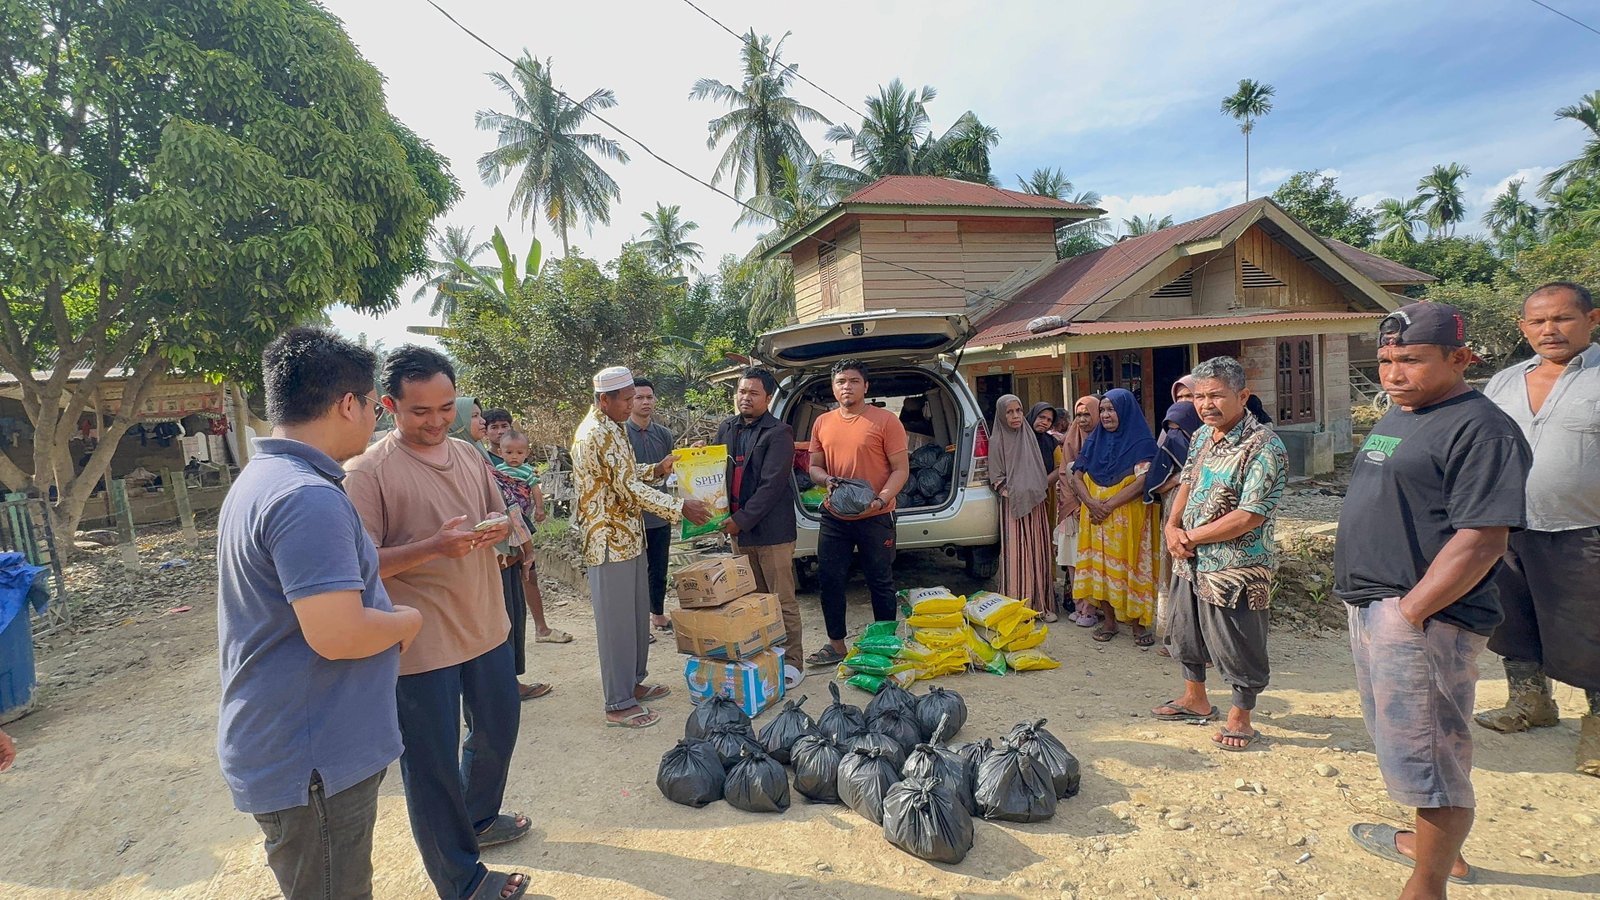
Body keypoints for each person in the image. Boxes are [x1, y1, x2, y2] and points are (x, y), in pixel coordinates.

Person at [215, 328, 424, 900]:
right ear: (348, 404)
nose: (374, 424)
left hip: (300, 747)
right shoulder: (306, 496)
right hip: (314, 760)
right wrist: (407, 622)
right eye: (371, 407)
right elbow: (339, 633)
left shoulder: (264, 480)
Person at [1334, 302, 1531, 897]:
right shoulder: (1402, 414)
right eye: (1387, 360)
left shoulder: (1482, 429)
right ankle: (1428, 849)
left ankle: (1428, 883)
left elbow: (1482, 540)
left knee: (1434, 758)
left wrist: (1410, 612)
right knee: (1408, 747)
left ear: (1459, 358)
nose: (1393, 373)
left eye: (1411, 360)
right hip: (1378, 608)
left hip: (1424, 620)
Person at [344, 346, 531, 900]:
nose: (436, 421)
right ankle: (461, 881)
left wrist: (499, 529)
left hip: (485, 624)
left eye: (446, 407)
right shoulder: (366, 473)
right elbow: (358, 563)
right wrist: (433, 548)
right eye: (420, 411)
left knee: (498, 728)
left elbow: (496, 513)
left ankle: (477, 819)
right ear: (388, 406)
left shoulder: (470, 455)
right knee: (431, 768)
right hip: (419, 641)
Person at [1477, 281, 1600, 778]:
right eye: (1538, 321)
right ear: (1523, 327)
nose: (1550, 330)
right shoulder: (1503, 382)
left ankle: (1597, 726)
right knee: (1510, 621)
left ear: (1592, 320)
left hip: (1583, 528)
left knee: (1590, 628)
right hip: (1505, 529)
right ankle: (1530, 702)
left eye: (1563, 318)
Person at [1151, 358, 1287, 752]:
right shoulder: (1201, 438)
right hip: (1190, 558)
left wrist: (1189, 535)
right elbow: (1187, 481)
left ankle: (1240, 716)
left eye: (1215, 395)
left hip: (1236, 567)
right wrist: (1171, 526)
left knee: (1238, 640)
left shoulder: (1263, 445)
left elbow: (1250, 514)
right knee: (1185, 630)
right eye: (1199, 396)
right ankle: (1195, 699)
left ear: (1242, 396)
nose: (1205, 404)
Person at [572, 367, 713, 729]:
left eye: (635, 397)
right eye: (627, 399)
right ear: (604, 400)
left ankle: (633, 683)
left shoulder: (613, 427)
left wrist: (659, 468)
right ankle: (617, 702)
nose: (633, 404)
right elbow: (626, 489)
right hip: (607, 542)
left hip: (629, 536)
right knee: (616, 624)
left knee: (635, 617)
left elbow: (629, 473)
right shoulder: (594, 435)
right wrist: (680, 507)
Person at [805, 359, 910, 667]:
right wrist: (826, 479)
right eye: (840, 381)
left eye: (853, 381)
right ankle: (836, 645)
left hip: (876, 516)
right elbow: (813, 466)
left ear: (866, 386)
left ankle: (884, 643)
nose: (846, 386)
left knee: (880, 580)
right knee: (830, 579)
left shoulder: (886, 421)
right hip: (835, 516)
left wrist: (881, 499)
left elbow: (901, 469)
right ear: (833, 387)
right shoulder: (823, 423)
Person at [449, 402, 552, 704]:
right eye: (475, 416)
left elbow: (511, 507)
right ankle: (500, 688)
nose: (482, 422)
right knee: (497, 620)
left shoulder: (478, 454)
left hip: (509, 550)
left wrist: (523, 546)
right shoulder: (460, 458)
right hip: (489, 555)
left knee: (511, 617)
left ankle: (509, 682)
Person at [714, 367, 804, 682]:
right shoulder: (726, 429)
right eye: (741, 391)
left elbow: (772, 486)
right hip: (739, 532)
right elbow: (714, 475)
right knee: (753, 602)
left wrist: (740, 520)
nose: (745, 398)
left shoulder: (779, 433)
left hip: (772, 533)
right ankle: (765, 657)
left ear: (767, 397)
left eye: (753, 393)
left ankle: (793, 662)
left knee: (781, 600)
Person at [1070, 388, 1160, 646]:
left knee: (1130, 567)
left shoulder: (1141, 442)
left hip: (1127, 517)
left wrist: (1107, 506)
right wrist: (1090, 502)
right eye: (1103, 410)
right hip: (1096, 517)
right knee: (1103, 569)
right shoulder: (1094, 439)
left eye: (1111, 410)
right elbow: (1076, 474)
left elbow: (1144, 480)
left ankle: (1137, 626)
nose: (1106, 415)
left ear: (1125, 411)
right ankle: (1109, 621)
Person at [493, 428, 571, 649]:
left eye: (519, 452)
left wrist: (539, 509)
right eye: (509, 452)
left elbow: (536, 491)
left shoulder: (527, 471)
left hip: (521, 517)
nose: (514, 457)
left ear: (526, 453)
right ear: (501, 452)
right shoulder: (498, 470)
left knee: (526, 559)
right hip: (508, 522)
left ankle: (528, 553)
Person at [988, 395, 1058, 621]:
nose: (1016, 416)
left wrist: (1033, 489)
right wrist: (1017, 493)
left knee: (1038, 553)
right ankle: (1018, 608)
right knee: (1017, 556)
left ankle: (1040, 606)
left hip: (1036, 503)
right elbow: (996, 478)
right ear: (1001, 415)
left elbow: (1040, 470)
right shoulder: (997, 440)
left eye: (1019, 410)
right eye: (1009, 412)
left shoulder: (1028, 436)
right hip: (1013, 507)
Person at [1146, 399, 1202, 658]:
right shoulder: (1168, 447)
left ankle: (1204, 645)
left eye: (1180, 427)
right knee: (1175, 579)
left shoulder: (1208, 450)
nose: (1175, 434)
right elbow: (1153, 485)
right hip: (1173, 520)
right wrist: (1177, 480)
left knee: (1200, 582)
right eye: (1170, 427)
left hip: (1203, 524)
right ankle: (1177, 639)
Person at [624, 377, 676, 635]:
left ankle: (658, 613)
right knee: (634, 572)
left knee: (659, 568)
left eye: (649, 397)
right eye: (639, 397)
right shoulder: (620, 435)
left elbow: (670, 472)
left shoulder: (664, 435)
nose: (645, 402)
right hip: (631, 516)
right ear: (629, 400)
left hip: (660, 514)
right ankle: (636, 624)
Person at [1058, 395, 1098, 627]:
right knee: (1073, 559)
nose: (1082, 420)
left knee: (1093, 560)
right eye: (1079, 414)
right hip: (1073, 508)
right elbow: (1065, 472)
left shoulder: (1104, 438)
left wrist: (1091, 503)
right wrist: (1074, 503)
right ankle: (1081, 606)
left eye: (1087, 414)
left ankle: (1094, 608)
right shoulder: (1071, 438)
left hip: (1098, 508)